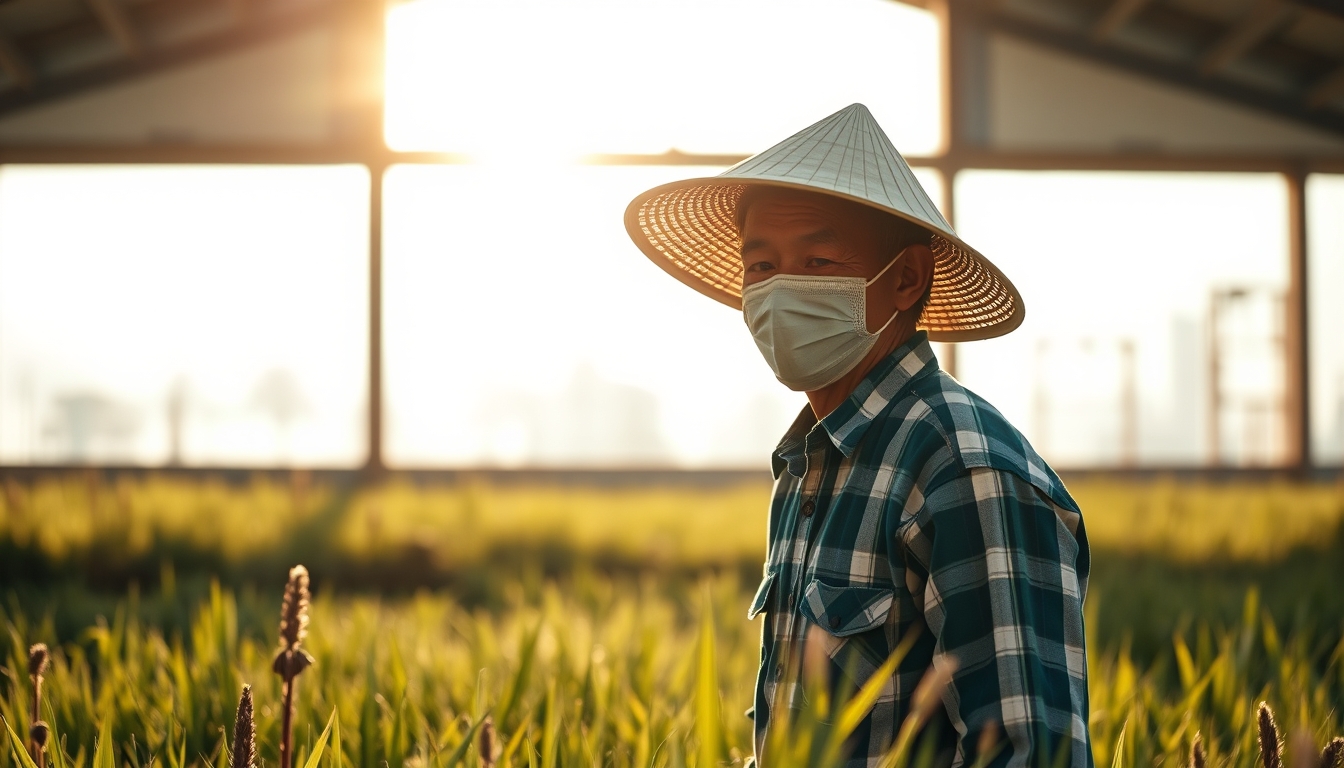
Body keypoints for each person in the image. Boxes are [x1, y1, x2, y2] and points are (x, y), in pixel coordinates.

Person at [624, 104, 1091, 768]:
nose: (782, 289)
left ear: (906, 279)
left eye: (817, 261)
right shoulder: (809, 461)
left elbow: (1027, 752)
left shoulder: (964, 469)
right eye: (761, 267)